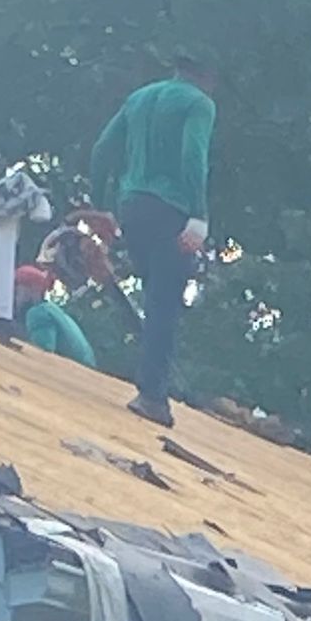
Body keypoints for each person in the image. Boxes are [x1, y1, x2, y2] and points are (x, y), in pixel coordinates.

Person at [89, 55, 217, 428]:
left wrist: (99, 205)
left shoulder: (140, 97)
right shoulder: (199, 104)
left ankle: (153, 384)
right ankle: (152, 396)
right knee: (164, 303)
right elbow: (194, 156)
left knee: (153, 294)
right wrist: (199, 215)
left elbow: (101, 150)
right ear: (207, 74)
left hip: (132, 206)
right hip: (170, 210)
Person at [11, 264, 96, 367]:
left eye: (18, 287)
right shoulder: (50, 309)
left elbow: (42, 353)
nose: (14, 293)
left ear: (33, 289)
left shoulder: (38, 313)